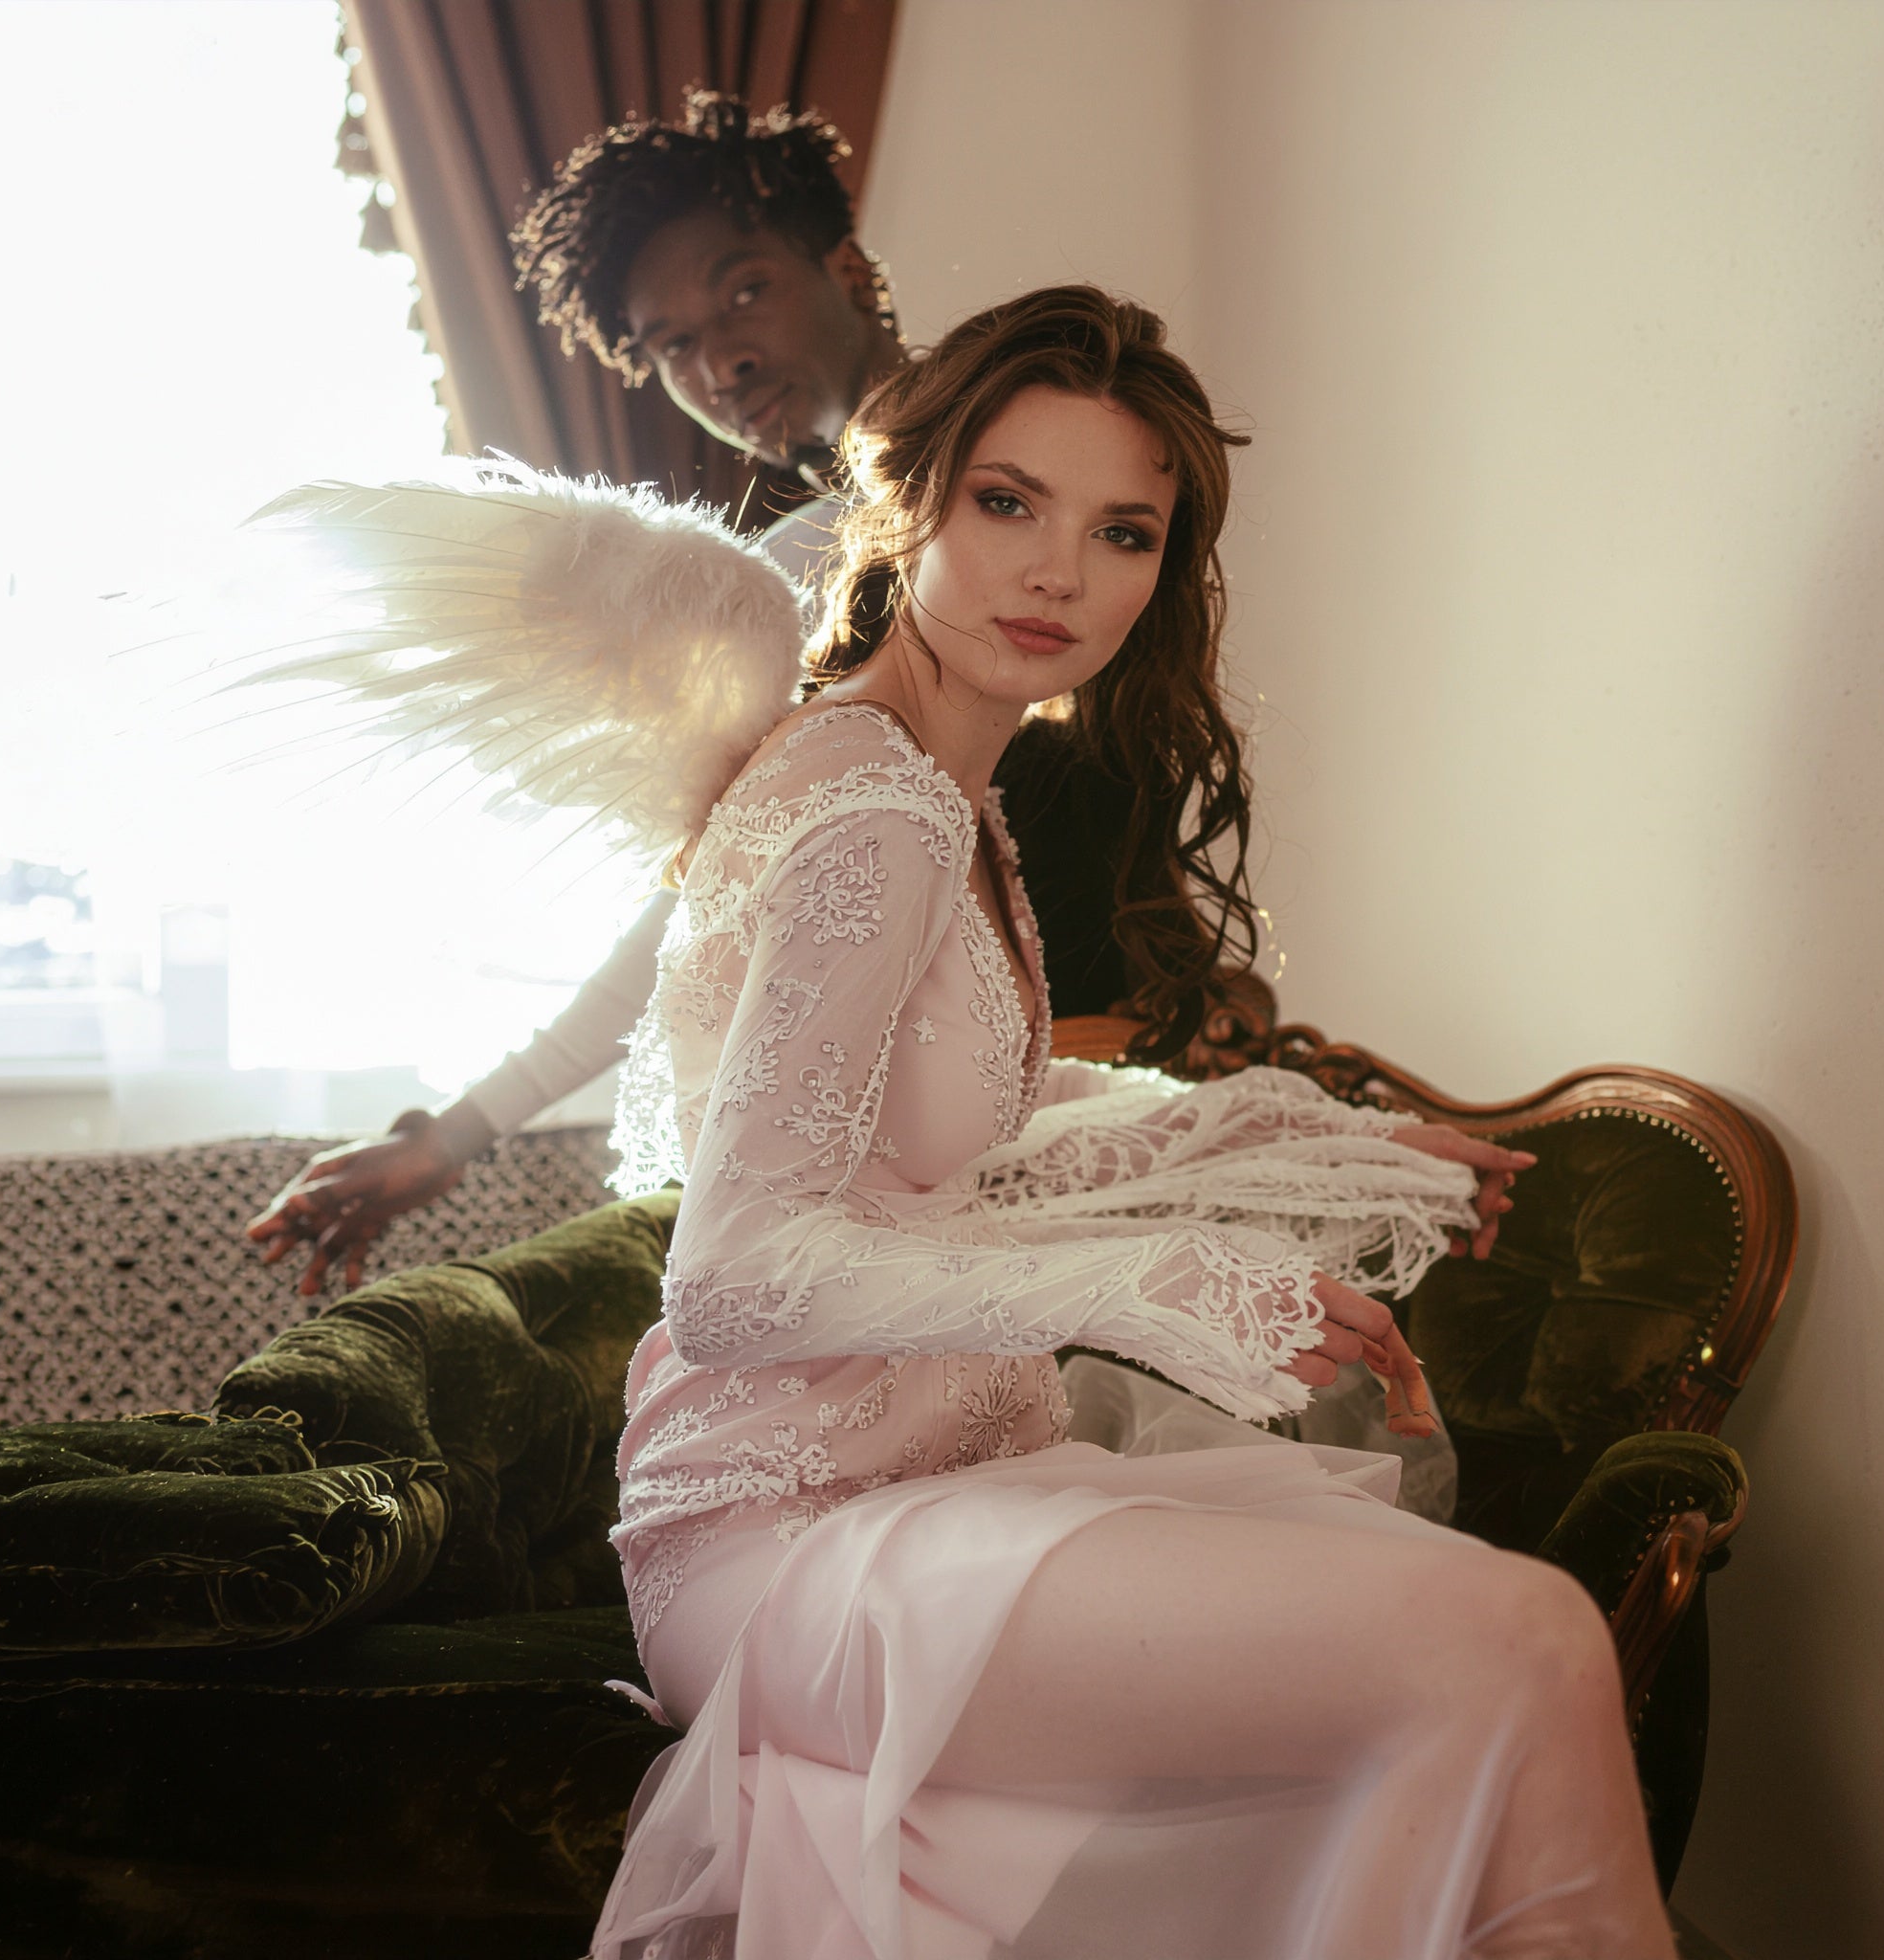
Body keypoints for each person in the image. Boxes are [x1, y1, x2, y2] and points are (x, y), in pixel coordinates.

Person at [590, 286, 1676, 1958]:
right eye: (1005, 502)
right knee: (1519, 1638)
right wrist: (1145, 1280)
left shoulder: (948, 797)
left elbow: (958, 1130)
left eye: (1121, 531)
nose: (1057, 574)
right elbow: (730, 1278)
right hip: (786, 1530)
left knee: (1504, 1651)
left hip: (954, 1470)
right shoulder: (870, 803)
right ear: (910, 499)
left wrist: (1286, 1138)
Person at [246, 91, 1126, 1297]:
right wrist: (456, 1129)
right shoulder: (835, 546)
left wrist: (460, 1130)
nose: (720, 357)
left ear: (846, 267)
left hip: (1059, 1073)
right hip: (1008, 1095)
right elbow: (715, 899)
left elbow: (706, 903)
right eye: (669, 343)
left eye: (744, 290)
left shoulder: (888, 533)